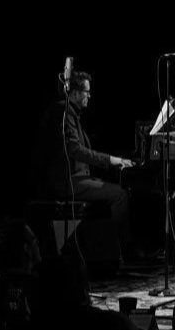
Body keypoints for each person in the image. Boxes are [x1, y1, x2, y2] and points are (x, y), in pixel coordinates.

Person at [36, 70, 136, 259]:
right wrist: (110, 160)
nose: (89, 95)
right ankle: (121, 253)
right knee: (119, 195)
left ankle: (103, 251)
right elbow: (76, 150)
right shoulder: (63, 113)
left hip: (75, 178)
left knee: (114, 190)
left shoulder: (70, 114)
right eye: (86, 92)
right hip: (68, 182)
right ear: (74, 93)